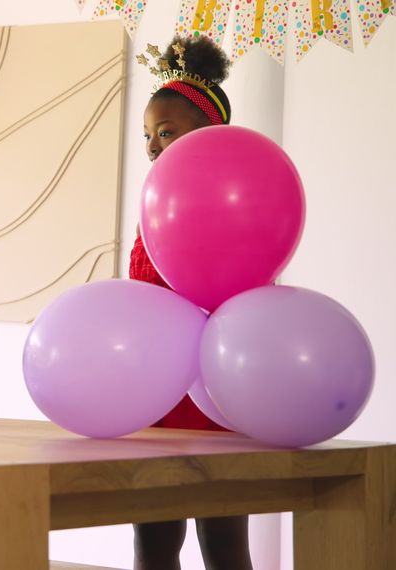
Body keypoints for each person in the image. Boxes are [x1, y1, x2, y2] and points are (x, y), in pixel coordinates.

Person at [131, 36, 252, 570]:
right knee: (153, 541)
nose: (154, 145)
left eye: (167, 131)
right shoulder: (154, 207)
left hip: (217, 393)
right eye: (148, 136)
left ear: (210, 136)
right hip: (160, 391)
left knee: (224, 542)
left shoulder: (237, 205)